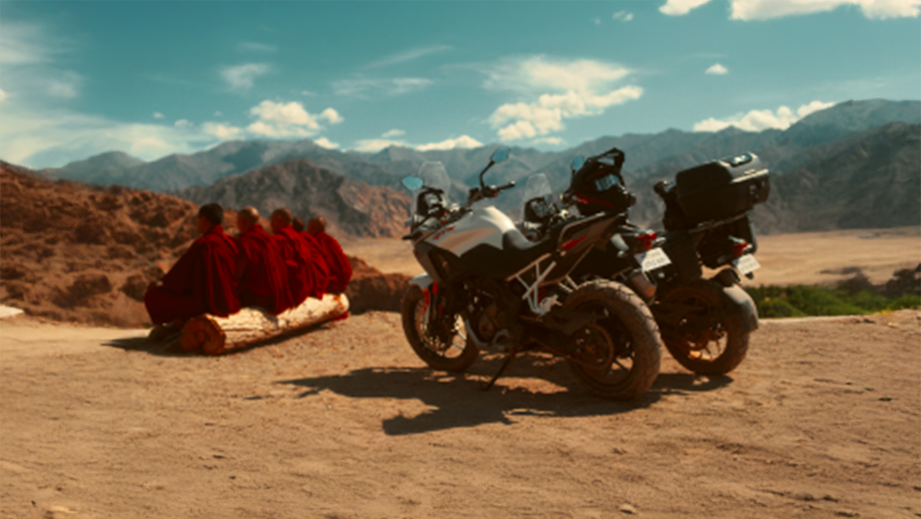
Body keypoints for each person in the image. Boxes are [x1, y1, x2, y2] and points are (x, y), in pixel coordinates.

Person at [144, 203, 240, 333]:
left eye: (198, 219)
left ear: (204, 220)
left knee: (152, 295)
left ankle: (173, 327)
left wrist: (159, 285)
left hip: (203, 306)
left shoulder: (202, 244)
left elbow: (177, 279)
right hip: (229, 303)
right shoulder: (230, 243)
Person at [235, 206, 295, 315]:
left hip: (259, 295)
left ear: (243, 222)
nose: (237, 225)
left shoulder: (246, 242)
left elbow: (238, 274)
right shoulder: (269, 239)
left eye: (237, 221)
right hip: (277, 295)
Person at [271, 208, 329, 304]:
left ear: (279, 220)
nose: (270, 225)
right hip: (310, 286)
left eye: (272, 221)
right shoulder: (302, 239)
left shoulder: (280, 240)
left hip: (292, 292)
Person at [306, 216, 353, 293]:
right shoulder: (332, 241)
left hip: (331, 284)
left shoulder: (316, 242)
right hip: (341, 283)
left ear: (312, 228)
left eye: (307, 228)